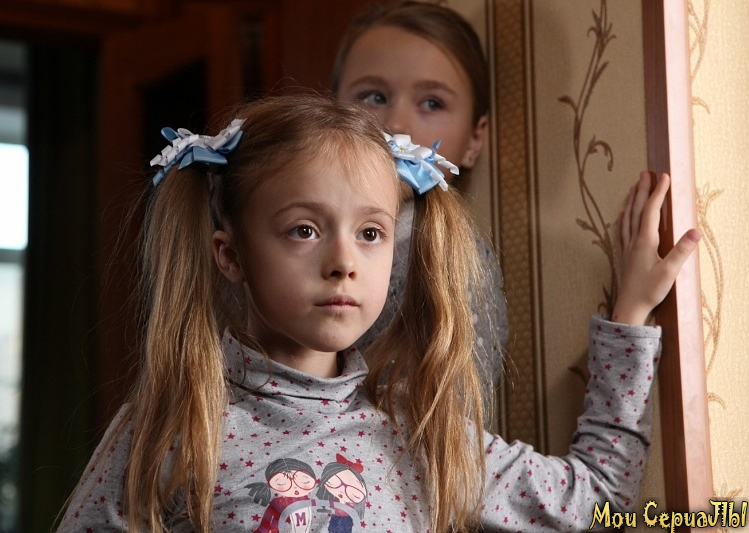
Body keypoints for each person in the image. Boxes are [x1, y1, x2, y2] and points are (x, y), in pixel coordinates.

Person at [57, 93, 699, 532]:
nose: (343, 262)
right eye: (304, 230)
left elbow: (596, 504)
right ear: (231, 255)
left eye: (370, 233)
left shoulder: (423, 434)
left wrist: (630, 317)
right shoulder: (172, 428)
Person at [331, 1, 507, 393]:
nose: (395, 125)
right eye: (373, 97)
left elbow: (449, 417)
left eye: (432, 103)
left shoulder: (452, 262)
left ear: (474, 140)